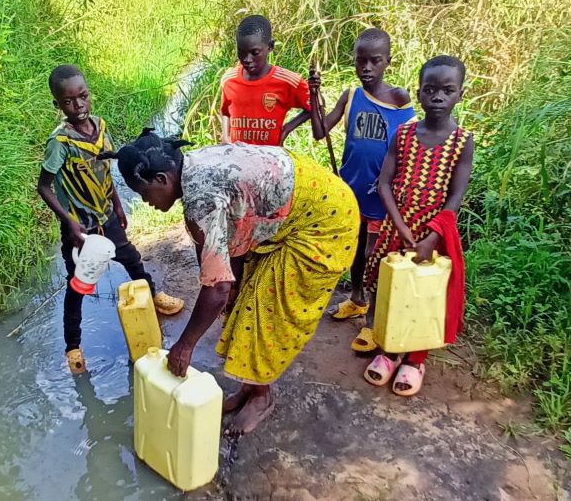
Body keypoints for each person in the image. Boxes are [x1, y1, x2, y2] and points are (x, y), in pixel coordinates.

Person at [103, 130, 358, 434]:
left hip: (325, 222)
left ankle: (261, 398)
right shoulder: (193, 166)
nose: (146, 202)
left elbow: (218, 287)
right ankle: (249, 390)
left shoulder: (201, 199)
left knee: (266, 307)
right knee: (244, 290)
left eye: (143, 194)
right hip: (310, 196)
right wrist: (231, 281)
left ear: (162, 179)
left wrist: (185, 345)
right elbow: (231, 240)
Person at [36, 65, 184, 374]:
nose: (78, 106)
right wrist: (70, 223)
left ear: (89, 95)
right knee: (78, 286)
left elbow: (106, 173)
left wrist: (117, 205)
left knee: (131, 258)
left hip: (107, 217)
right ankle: (73, 347)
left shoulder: (101, 128)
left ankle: (153, 295)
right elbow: (44, 186)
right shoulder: (60, 143)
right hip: (81, 229)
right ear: (58, 105)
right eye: (68, 101)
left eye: (83, 97)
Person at [361, 55, 475, 397]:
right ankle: (388, 351)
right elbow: (384, 183)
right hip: (397, 231)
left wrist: (431, 237)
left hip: (432, 237)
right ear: (419, 93)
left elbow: (456, 196)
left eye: (447, 90)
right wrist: (399, 226)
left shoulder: (462, 142)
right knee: (389, 290)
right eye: (430, 90)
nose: (438, 97)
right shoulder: (404, 133)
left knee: (422, 296)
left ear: (460, 94)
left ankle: (415, 359)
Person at [308, 28, 415, 351]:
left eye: (375, 61)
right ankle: (357, 298)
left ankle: (373, 324)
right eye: (360, 61)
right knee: (355, 251)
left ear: (388, 62)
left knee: (374, 254)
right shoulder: (351, 96)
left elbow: (408, 146)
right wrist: (314, 97)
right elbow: (319, 131)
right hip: (351, 191)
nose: (367, 68)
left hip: (381, 194)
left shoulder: (400, 100)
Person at [218, 15, 318, 146]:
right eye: (241, 52)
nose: (247, 59)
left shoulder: (287, 81)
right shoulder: (229, 79)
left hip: (269, 159)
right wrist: (225, 137)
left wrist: (287, 128)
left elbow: (315, 105)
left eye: (255, 52)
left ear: (270, 46)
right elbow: (225, 111)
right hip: (238, 160)